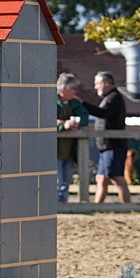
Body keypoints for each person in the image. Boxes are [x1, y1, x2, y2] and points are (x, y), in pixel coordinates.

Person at [81, 71, 130, 203]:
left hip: (113, 145)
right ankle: (97, 206)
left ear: (106, 83)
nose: (96, 87)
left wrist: (82, 104)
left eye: (97, 83)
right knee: (102, 178)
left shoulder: (114, 97)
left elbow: (103, 113)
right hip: (107, 145)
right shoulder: (111, 98)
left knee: (116, 177)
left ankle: (128, 208)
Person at [55, 72, 89, 203]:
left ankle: (63, 203)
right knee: (57, 180)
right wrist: (64, 125)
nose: (76, 91)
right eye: (73, 88)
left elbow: (85, 117)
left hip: (69, 149)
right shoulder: (51, 100)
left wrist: (75, 124)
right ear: (64, 87)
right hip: (54, 149)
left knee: (66, 180)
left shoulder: (74, 103)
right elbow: (44, 122)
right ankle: (55, 205)